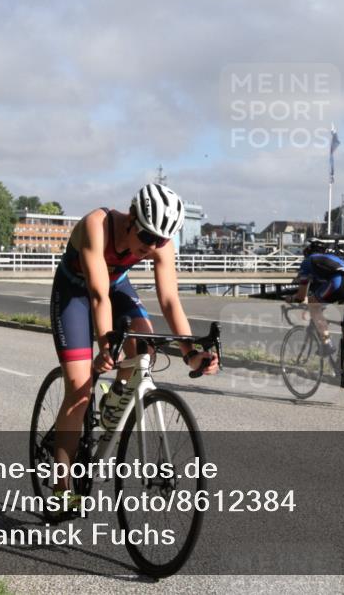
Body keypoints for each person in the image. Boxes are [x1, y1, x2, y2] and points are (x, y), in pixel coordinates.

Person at [49, 183, 219, 513]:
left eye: (162, 240)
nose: (153, 246)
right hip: (75, 293)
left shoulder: (160, 243)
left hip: (115, 286)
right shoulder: (95, 226)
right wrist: (105, 347)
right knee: (79, 389)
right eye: (148, 238)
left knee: (146, 348)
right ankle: (60, 485)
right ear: (131, 220)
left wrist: (190, 352)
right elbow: (97, 297)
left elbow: (170, 301)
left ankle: (113, 405)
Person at [287, 240, 344, 385]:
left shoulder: (308, 261)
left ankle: (327, 343)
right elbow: (321, 291)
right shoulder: (331, 260)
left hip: (340, 282)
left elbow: (301, 296)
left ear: (307, 253)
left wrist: (292, 298)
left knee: (312, 304)